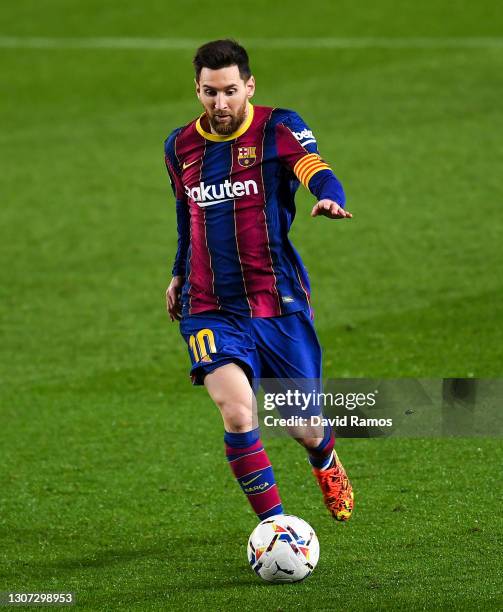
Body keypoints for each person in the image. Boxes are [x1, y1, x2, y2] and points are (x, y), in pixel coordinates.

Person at [164, 39, 354, 522]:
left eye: (230, 91)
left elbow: (316, 169)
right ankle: (276, 528)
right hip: (208, 304)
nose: (220, 104)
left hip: (276, 299)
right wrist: (178, 272)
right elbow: (188, 218)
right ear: (198, 89)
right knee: (237, 411)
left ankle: (324, 459)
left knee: (305, 426)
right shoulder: (180, 146)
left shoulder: (277, 126)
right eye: (210, 93)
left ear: (249, 86)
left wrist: (329, 197)